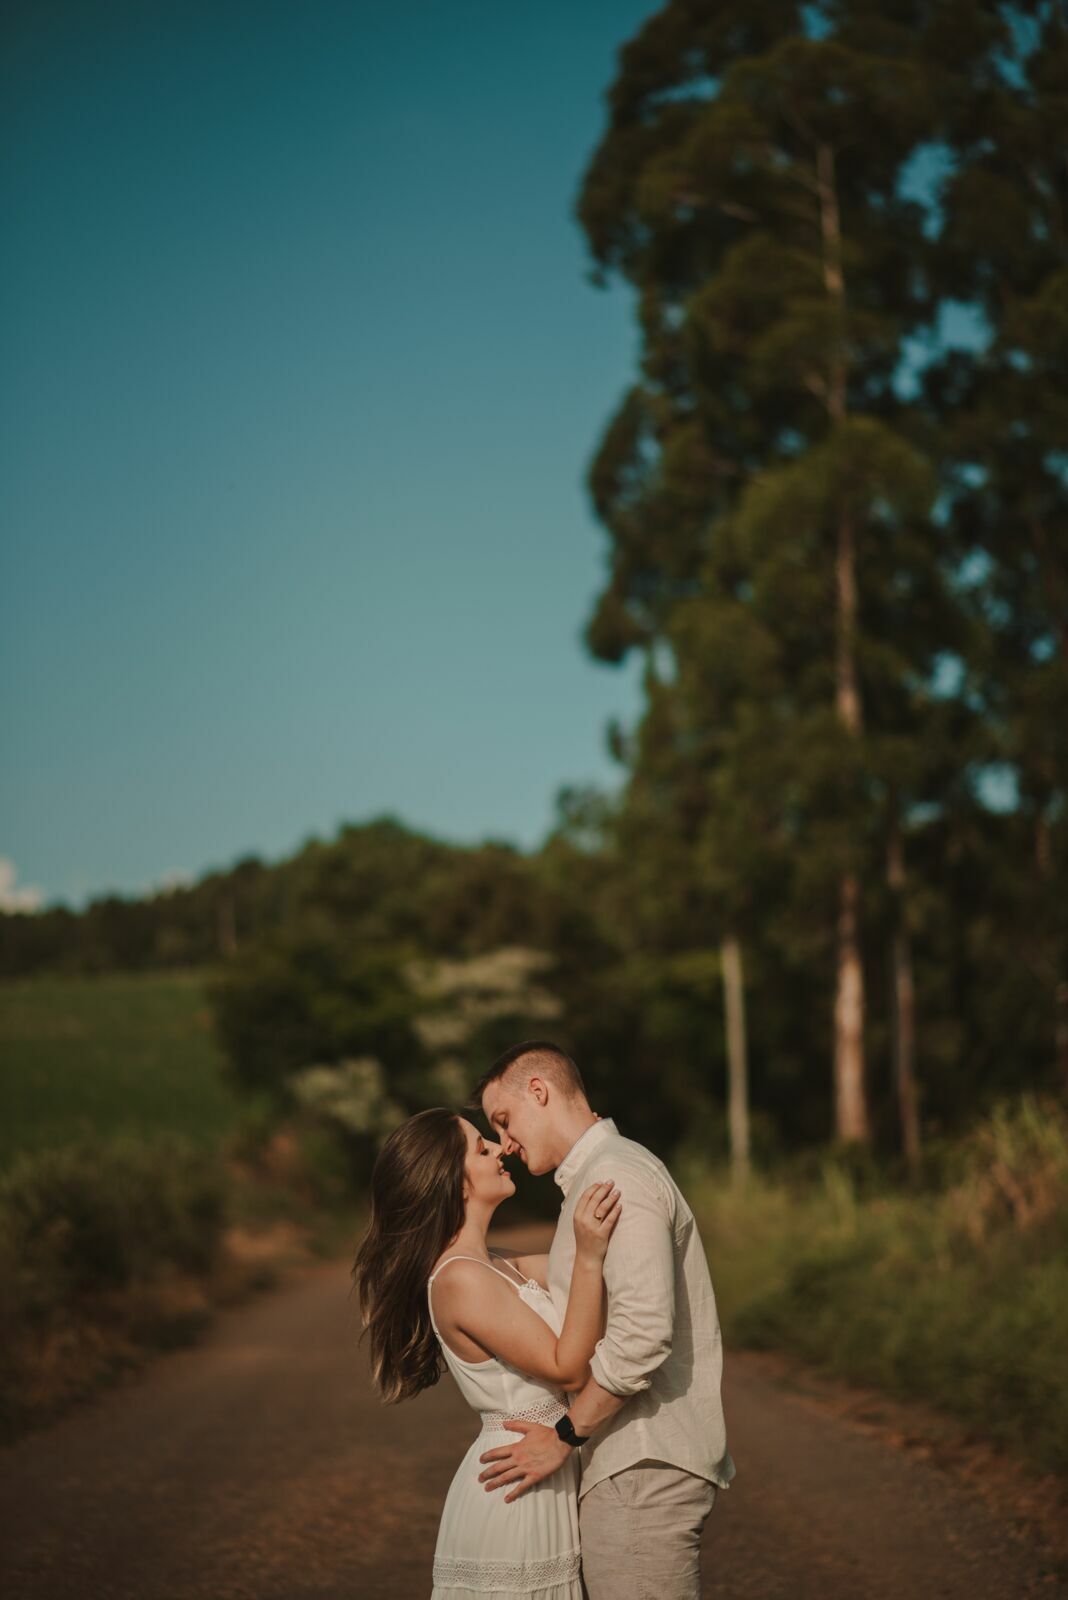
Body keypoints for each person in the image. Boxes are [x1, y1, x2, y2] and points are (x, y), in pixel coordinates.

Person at [473, 1041, 736, 1600]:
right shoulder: (594, 1179)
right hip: (628, 1461)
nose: (504, 1142)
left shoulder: (617, 1176)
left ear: (539, 1092)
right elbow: (563, 1278)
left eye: (504, 1119)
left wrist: (564, 1437)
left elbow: (642, 1335)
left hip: (641, 1459)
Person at [351, 1106, 621, 1600]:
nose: (500, 1149)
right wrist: (588, 1255)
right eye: (481, 1146)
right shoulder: (459, 1279)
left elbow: (588, 1266)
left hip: (539, 1474)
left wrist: (589, 1150)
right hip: (513, 1493)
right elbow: (568, 1368)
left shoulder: (496, 1263)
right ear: (454, 1183)